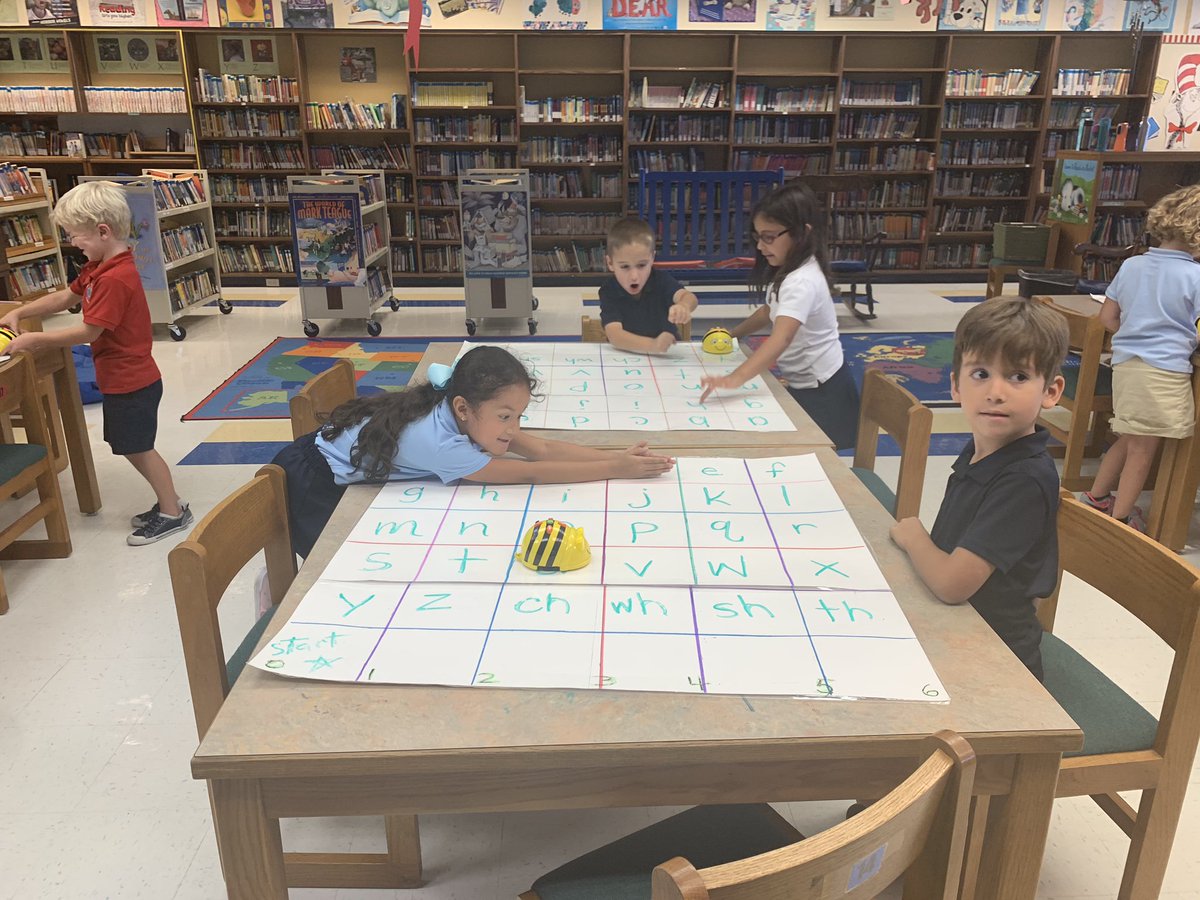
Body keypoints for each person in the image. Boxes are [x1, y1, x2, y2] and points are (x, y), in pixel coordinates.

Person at [273, 345, 677, 559]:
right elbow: (528, 473)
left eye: (518, 415)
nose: (513, 429)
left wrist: (618, 458)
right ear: (464, 408)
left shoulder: (468, 411)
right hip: (312, 483)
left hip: (326, 452)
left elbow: (541, 448)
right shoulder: (439, 443)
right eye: (506, 416)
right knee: (336, 567)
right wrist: (614, 468)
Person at [1, 181, 192, 546]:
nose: (74, 243)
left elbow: (89, 332)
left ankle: (173, 511)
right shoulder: (99, 267)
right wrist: (23, 311)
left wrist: (33, 340)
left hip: (131, 380)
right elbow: (64, 298)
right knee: (128, 444)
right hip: (120, 378)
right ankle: (169, 503)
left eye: (77, 236)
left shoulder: (116, 278)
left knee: (138, 447)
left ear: (103, 231)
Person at [890, 298, 1067, 681]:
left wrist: (913, 536)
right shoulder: (984, 450)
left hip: (994, 661)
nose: (995, 392)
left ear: (1051, 391)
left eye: (1019, 377)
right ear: (955, 385)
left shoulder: (1023, 478)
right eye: (981, 373)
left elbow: (953, 584)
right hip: (956, 628)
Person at [698, 181, 860, 450]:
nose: (761, 246)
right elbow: (768, 312)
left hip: (825, 388)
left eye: (769, 237)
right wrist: (732, 335)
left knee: (820, 455)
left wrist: (734, 379)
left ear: (801, 233)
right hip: (806, 381)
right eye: (758, 237)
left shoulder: (801, 281)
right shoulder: (789, 269)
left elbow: (781, 338)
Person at [1080, 185, 1200, 531]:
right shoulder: (1194, 276)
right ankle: (1121, 519)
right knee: (1144, 451)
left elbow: (1108, 319)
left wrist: (1135, 333)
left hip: (1126, 364)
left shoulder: (1132, 266)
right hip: (1163, 371)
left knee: (1129, 435)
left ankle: (1098, 495)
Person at [599, 217, 698, 354]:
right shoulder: (608, 290)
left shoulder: (661, 280)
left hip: (667, 355)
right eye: (625, 266)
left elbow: (689, 297)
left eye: (641, 265)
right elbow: (615, 336)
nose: (634, 276)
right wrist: (653, 345)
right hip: (627, 357)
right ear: (610, 263)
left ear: (652, 258)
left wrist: (684, 305)